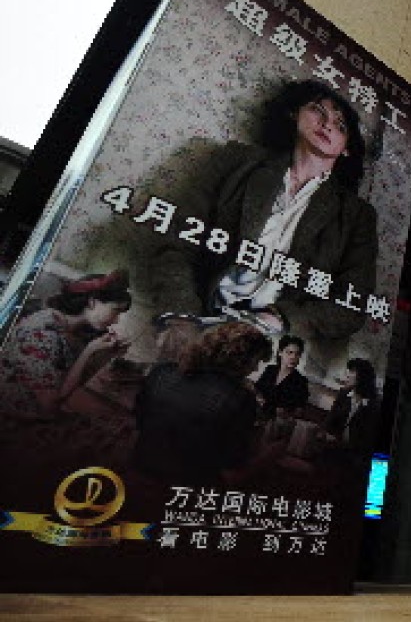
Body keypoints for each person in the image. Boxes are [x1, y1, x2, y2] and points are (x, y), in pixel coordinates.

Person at [146, 79, 378, 378]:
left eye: (340, 124)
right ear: (294, 115)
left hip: (274, 338)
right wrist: (181, 316)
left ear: (347, 150)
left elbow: (352, 306)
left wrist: (277, 319)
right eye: (317, 110)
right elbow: (176, 243)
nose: (327, 124)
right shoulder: (235, 161)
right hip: (200, 311)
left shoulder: (357, 215)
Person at [133, 322, 277, 485]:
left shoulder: (161, 371)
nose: (255, 368)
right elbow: (231, 472)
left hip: (136, 472)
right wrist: (268, 456)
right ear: (240, 359)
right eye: (256, 361)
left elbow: (138, 423)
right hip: (185, 491)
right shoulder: (240, 398)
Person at [0, 271, 131, 439]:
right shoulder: (42, 334)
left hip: (37, 415)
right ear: (92, 302)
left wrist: (106, 355)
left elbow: (70, 383)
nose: (117, 320)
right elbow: (51, 404)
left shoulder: (70, 329)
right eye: (116, 310)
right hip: (15, 422)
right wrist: (88, 352)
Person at [324, 357, 380, 452]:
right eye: (349, 370)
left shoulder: (373, 405)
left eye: (352, 371)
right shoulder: (343, 394)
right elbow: (329, 421)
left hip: (355, 455)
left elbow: (367, 440)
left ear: (363, 377)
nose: (348, 375)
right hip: (334, 448)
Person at [254, 334, 311, 419]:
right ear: (280, 352)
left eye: (297, 354)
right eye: (289, 352)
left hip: (276, 423)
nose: (293, 357)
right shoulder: (270, 369)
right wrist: (257, 397)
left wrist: (285, 413)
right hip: (256, 413)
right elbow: (257, 389)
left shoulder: (301, 381)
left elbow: (299, 412)